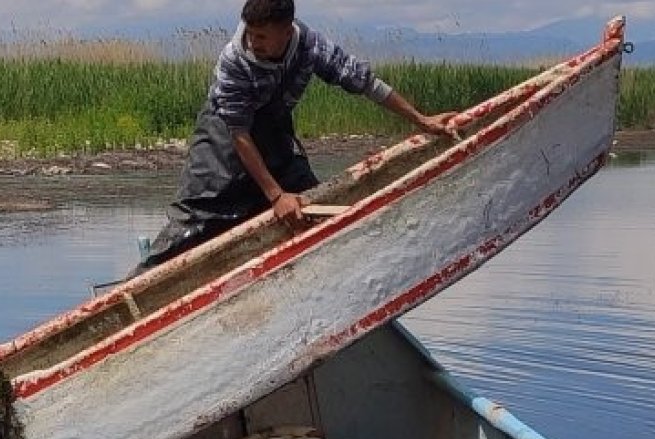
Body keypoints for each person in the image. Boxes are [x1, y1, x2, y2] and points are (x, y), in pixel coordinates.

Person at [132, 0, 460, 274]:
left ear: (286, 32)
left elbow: (364, 82)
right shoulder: (234, 61)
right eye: (250, 33)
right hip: (225, 137)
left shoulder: (310, 45)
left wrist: (420, 119)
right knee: (196, 219)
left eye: (262, 36)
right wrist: (276, 197)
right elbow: (239, 135)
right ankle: (139, 283)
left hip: (275, 133)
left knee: (311, 204)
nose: (254, 42)